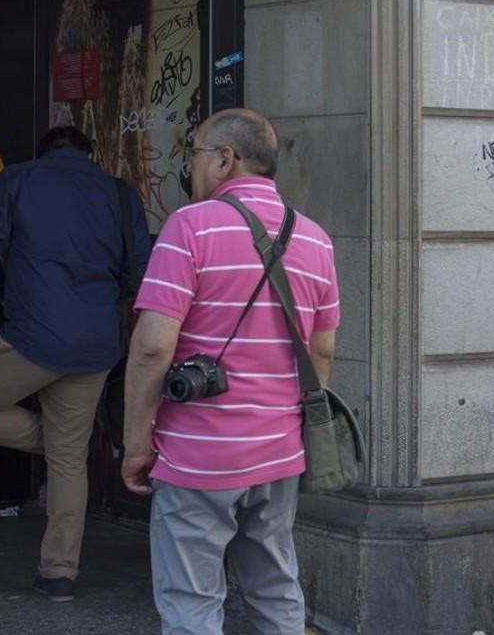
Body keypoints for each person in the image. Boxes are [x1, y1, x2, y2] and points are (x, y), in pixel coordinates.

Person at [121, 108, 340, 634]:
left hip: (198, 455)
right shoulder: (315, 239)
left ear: (224, 159)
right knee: (275, 585)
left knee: (192, 599)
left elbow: (153, 348)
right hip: (279, 453)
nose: (189, 168)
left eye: (193, 154)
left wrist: (135, 444)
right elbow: (323, 352)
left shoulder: (188, 227)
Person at [0, 126, 151, 602]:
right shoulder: (120, 193)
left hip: (32, 336)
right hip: (97, 342)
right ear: (88, 153)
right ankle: (58, 573)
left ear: (45, 152)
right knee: (67, 457)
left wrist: (8, 295)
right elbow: (139, 271)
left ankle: (59, 450)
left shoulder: (16, 180)